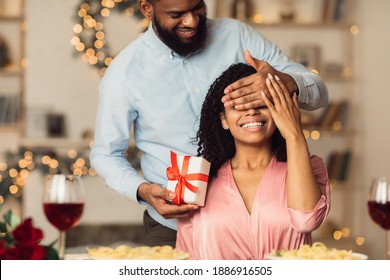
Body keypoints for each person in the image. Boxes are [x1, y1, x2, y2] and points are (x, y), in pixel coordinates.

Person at [90, 0, 329, 247]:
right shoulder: (124, 72)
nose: (191, 21)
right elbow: (105, 154)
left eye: (197, 8)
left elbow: (319, 91)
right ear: (147, 9)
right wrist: (143, 191)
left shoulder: (237, 36)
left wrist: (286, 81)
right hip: (174, 223)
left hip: (262, 213)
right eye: (177, 14)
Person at [176, 63, 331, 259]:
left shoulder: (308, 168)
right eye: (239, 106)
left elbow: (306, 221)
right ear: (223, 120)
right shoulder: (194, 177)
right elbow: (185, 255)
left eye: (261, 103)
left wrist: (294, 134)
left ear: (279, 112)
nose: (251, 112)